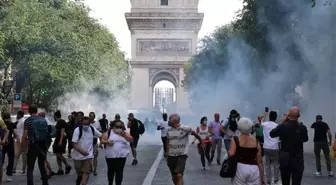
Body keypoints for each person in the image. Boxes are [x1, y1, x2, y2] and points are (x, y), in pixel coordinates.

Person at [270, 107, 308, 185]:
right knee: (296, 182)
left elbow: (272, 134)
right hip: (298, 159)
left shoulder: (283, 127)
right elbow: (305, 139)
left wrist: (283, 122)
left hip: (285, 159)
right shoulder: (302, 128)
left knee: (285, 181)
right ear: (299, 115)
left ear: (288, 115)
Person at [165, 113, 203, 185]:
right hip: (171, 156)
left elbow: (195, 134)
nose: (169, 121)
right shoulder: (168, 130)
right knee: (174, 177)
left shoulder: (185, 128)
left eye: (170, 119)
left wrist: (201, 141)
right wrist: (167, 153)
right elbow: (167, 141)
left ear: (175, 120)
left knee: (179, 175)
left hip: (181, 155)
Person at [229, 117, 265, 185]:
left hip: (240, 167)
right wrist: (262, 179)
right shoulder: (256, 142)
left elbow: (231, 154)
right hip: (254, 168)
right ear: (250, 127)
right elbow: (260, 162)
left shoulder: (235, 140)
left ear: (239, 127)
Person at [21, 104, 49, 185]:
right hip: (43, 146)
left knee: (30, 167)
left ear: (29, 111)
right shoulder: (43, 120)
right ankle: (45, 183)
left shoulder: (28, 121)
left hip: (33, 146)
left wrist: (24, 148)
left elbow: (25, 136)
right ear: (37, 111)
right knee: (42, 166)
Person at [72, 116, 103, 185]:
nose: (85, 126)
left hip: (88, 156)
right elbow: (74, 144)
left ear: (89, 124)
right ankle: (79, 178)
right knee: (79, 172)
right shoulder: (77, 130)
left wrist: (103, 141)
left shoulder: (92, 129)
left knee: (86, 172)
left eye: (87, 124)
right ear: (81, 123)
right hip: (78, 156)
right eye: (84, 124)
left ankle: (83, 183)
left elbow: (101, 135)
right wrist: (82, 152)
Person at [101, 120, 133, 185]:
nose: (119, 128)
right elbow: (102, 140)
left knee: (119, 172)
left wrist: (124, 135)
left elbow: (131, 140)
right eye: (117, 126)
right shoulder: (109, 132)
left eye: (120, 126)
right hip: (110, 157)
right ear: (113, 126)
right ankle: (110, 182)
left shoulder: (124, 133)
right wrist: (108, 142)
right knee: (111, 171)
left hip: (121, 156)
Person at [262, 111, 280, 184]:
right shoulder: (277, 126)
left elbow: (262, 120)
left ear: (269, 117)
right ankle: (276, 179)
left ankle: (268, 180)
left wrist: (265, 113)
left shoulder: (265, 124)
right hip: (275, 147)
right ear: (275, 117)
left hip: (266, 147)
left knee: (267, 165)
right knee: (276, 164)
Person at [53, 110, 72, 175]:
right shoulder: (59, 122)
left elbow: (62, 132)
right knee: (57, 154)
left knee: (59, 154)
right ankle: (60, 169)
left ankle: (67, 165)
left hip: (61, 140)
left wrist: (60, 141)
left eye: (54, 116)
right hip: (58, 139)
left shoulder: (61, 122)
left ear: (55, 116)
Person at [1, 113, 17, 182]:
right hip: (10, 144)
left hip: (2, 144)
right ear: (9, 117)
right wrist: (13, 138)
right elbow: (15, 134)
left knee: (1, 159)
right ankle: (9, 175)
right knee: (11, 159)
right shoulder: (11, 124)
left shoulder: (1, 123)